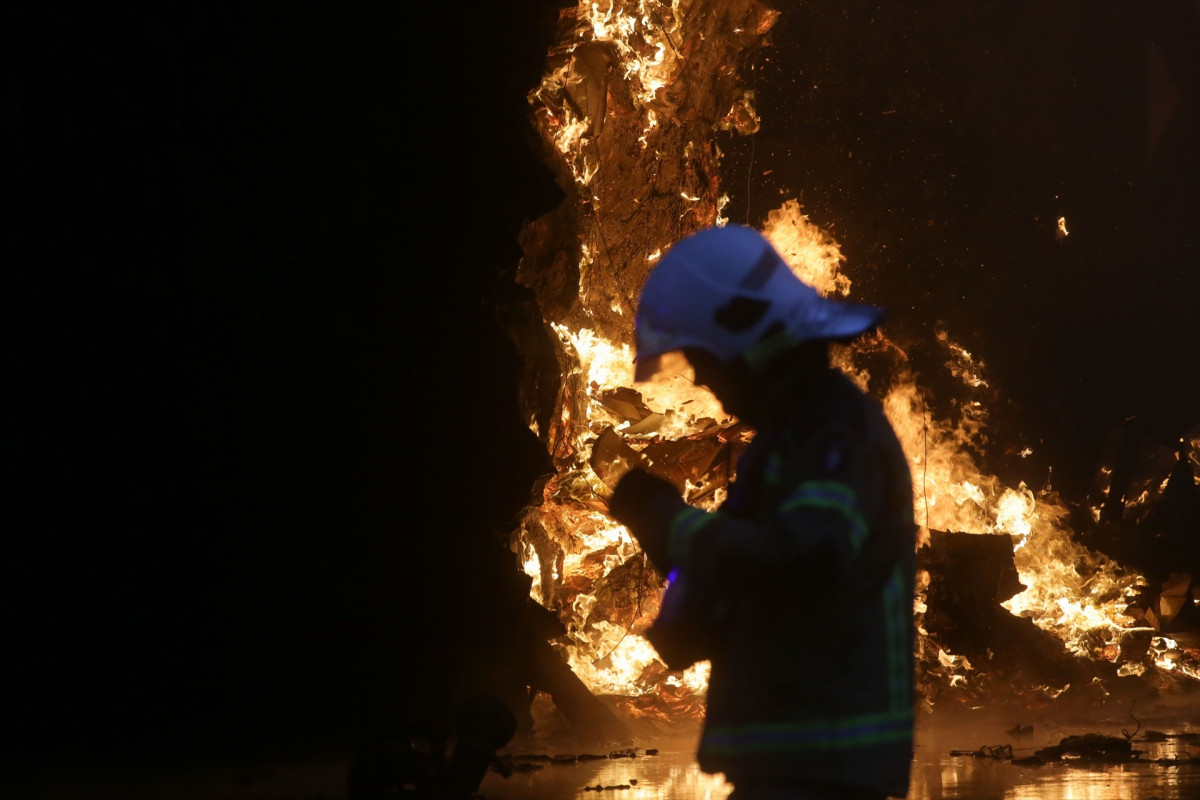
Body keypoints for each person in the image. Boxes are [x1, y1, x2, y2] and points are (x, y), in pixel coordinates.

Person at [608, 224, 917, 800]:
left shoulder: (832, 429)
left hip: (821, 762)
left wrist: (666, 521)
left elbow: (804, 558)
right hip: (796, 759)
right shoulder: (793, 435)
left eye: (703, 356)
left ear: (747, 345)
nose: (699, 377)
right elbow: (764, 576)